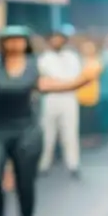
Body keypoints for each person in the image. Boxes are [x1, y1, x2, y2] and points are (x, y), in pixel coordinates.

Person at [0, 27, 97, 216]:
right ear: (3, 43)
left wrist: (84, 79)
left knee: (25, 183)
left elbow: (59, 85)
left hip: (27, 131)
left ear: (26, 43)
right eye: (9, 40)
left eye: (18, 40)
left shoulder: (35, 68)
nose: (14, 44)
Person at [38, 25, 83, 177]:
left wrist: (60, 83)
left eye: (59, 39)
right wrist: (62, 83)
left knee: (70, 132)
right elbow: (45, 80)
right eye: (54, 39)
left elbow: (75, 78)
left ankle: (73, 165)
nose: (56, 41)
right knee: (47, 133)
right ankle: (44, 164)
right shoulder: (43, 58)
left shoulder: (72, 57)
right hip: (51, 98)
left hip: (69, 98)